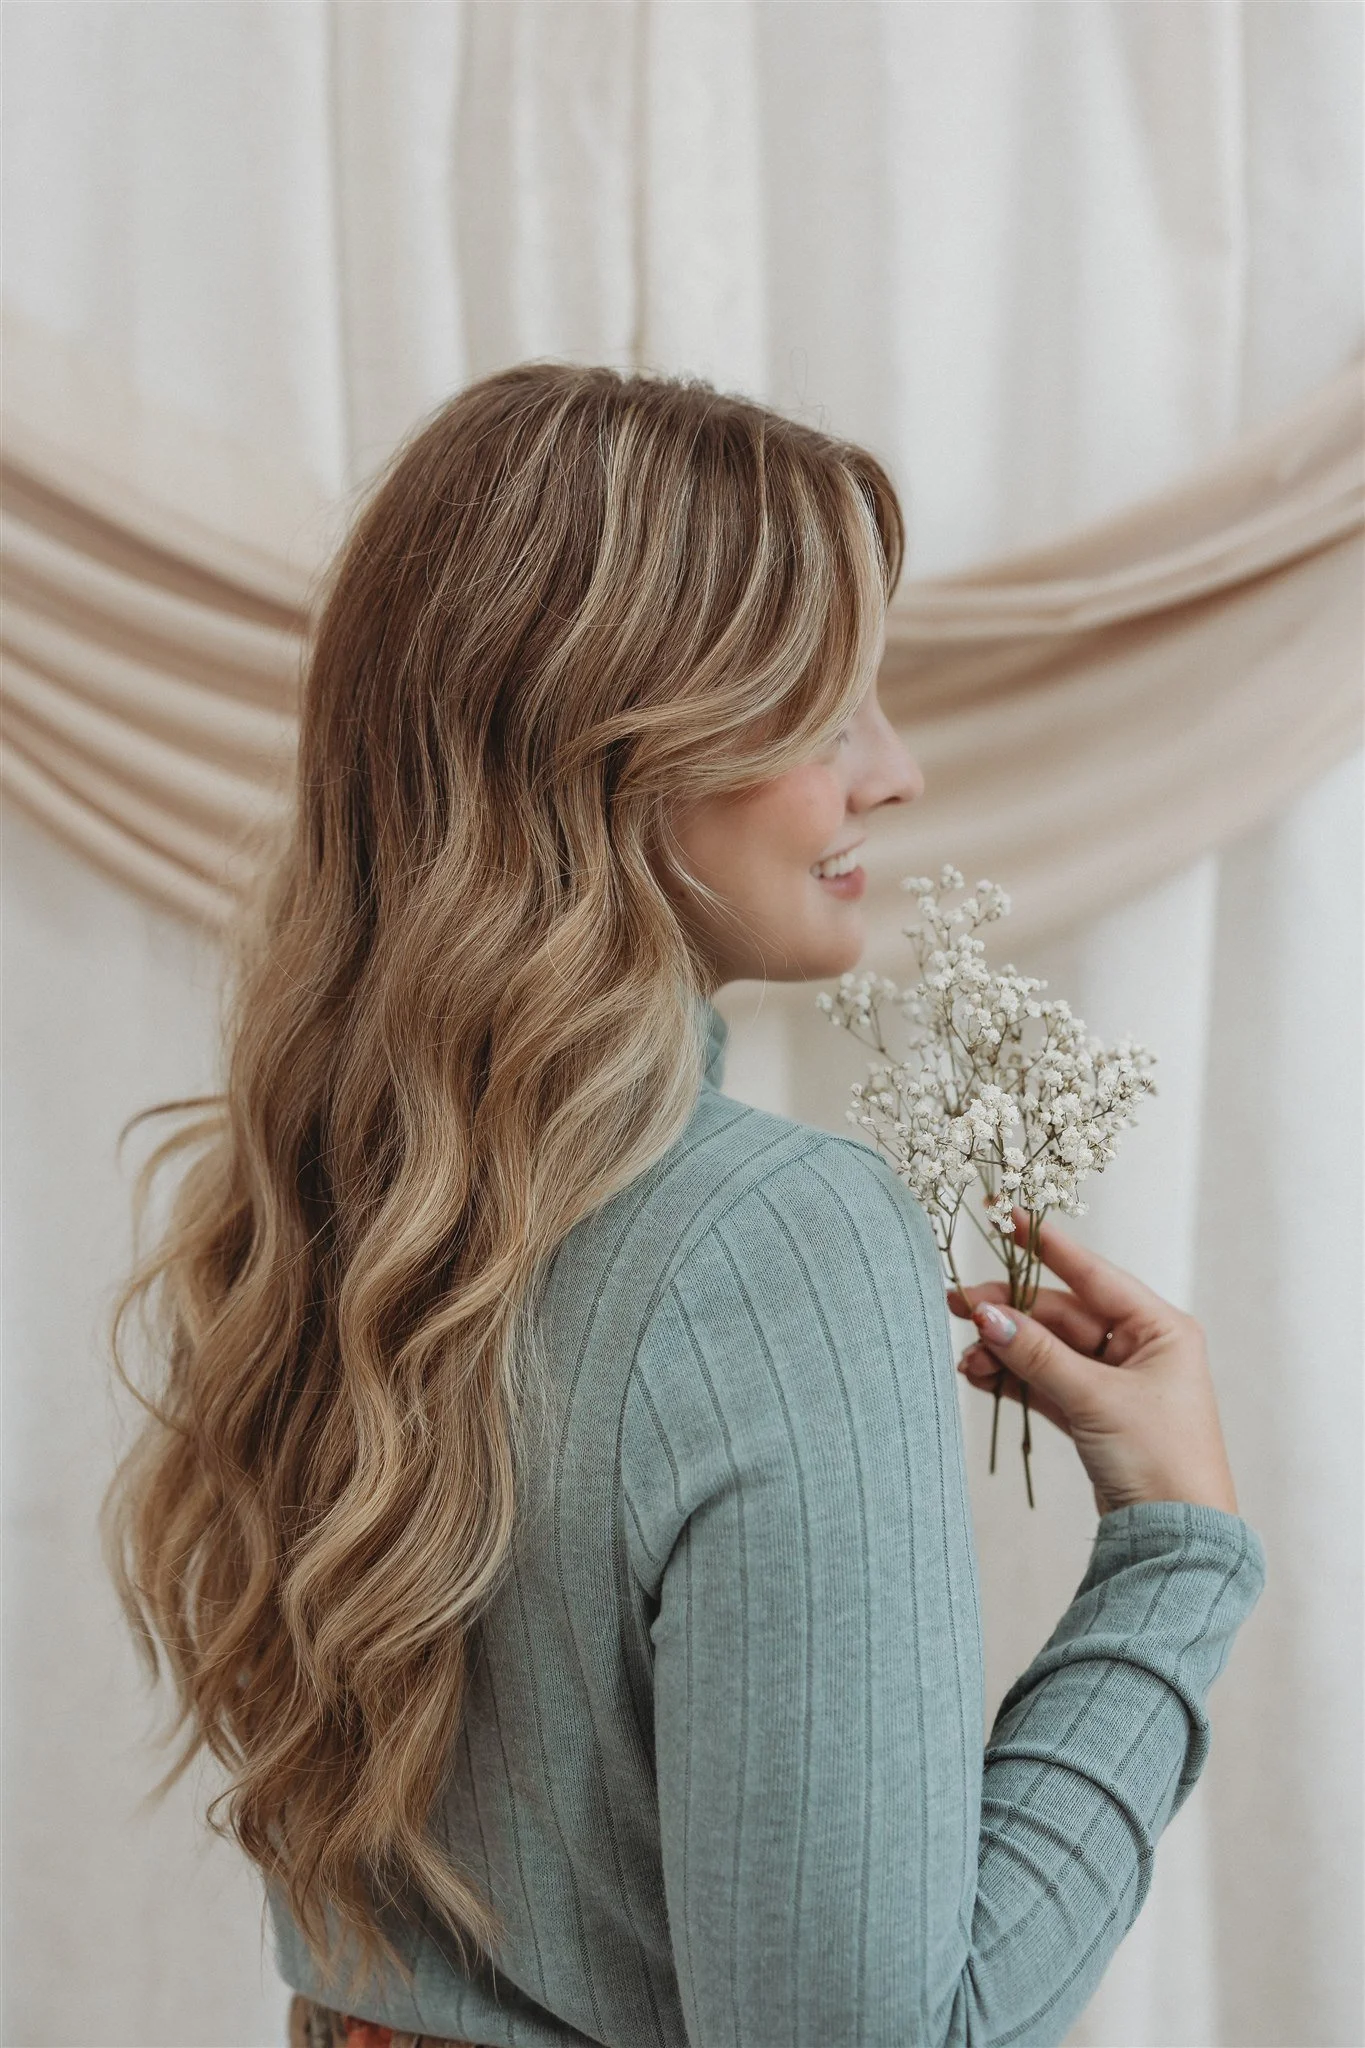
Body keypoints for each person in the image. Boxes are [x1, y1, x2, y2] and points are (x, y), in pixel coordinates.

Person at [103, 363, 1265, 2048]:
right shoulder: (772, 1240)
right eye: (826, 707)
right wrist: (1178, 1549)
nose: (899, 773)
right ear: (612, 742)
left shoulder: (332, 1201)